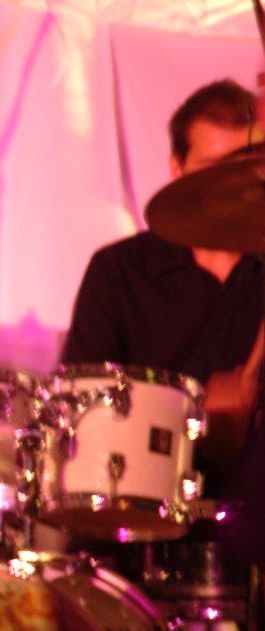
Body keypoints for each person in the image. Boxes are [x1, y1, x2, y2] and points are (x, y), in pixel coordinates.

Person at [62, 78, 265, 495]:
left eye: (242, 168)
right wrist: (193, 420)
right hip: (141, 508)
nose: (231, 185)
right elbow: (82, 413)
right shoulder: (120, 271)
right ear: (177, 169)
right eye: (212, 169)